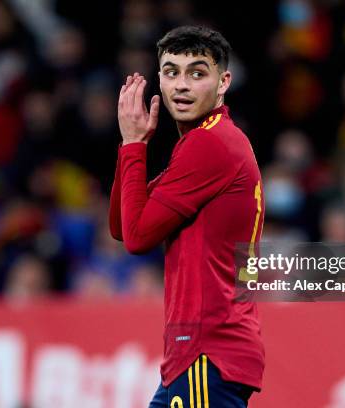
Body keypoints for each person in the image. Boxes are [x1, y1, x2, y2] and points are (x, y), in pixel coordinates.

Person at [110, 25, 265, 407]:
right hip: (204, 351)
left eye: (197, 73)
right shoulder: (210, 142)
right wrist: (133, 146)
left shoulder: (209, 146)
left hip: (205, 349)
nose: (181, 84)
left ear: (223, 81)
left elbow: (137, 238)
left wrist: (132, 145)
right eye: (171, 71)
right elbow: (120, 226)